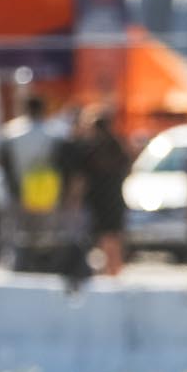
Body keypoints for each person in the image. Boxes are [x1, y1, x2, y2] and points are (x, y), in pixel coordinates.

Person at [0, 93, 70, 275]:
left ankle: (21, 264)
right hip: (47, 190)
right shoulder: (54, 133)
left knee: (20, 231)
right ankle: (44, 265)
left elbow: (5, 164)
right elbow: (62, 163)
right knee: (46, 232)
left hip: (20, 190)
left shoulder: (11, 133)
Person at [76, 107, 131, 278]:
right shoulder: (117, 146)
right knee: (114, 235)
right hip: (114, 195)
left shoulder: (91, 148)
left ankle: (110, 269)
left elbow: (82, 176)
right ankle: (115, 267)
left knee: (104, 235)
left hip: (99, 198)